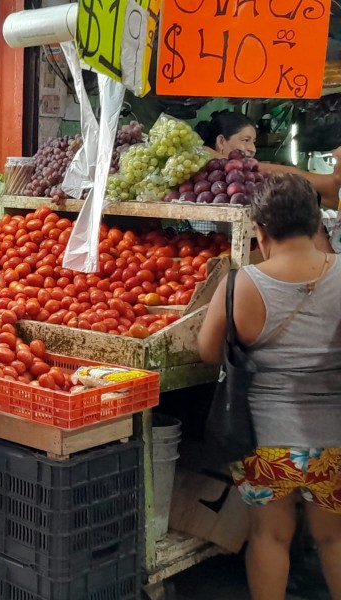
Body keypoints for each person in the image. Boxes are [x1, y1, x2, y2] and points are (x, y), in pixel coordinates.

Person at [197, 173, 341, 600]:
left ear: (259, 230)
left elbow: (207, 351)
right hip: (334, 436)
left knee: (269, 537)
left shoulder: (241, 284)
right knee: (333, 539)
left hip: (265, 441)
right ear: (317, 223)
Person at [196, 110, 341, 208]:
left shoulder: (250, 177)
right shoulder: (200, 171)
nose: (252, 148)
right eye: (245, 140)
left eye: (253, 141)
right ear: (221, 141)